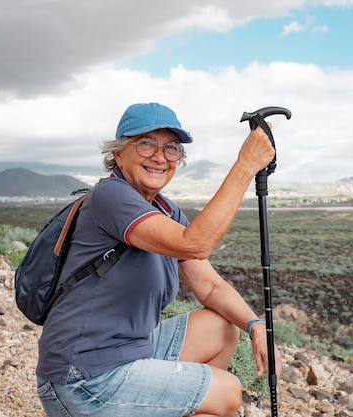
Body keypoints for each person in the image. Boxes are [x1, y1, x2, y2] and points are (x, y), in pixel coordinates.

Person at [35, 102, 282, 417]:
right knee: (227, 391)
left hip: (129, 354)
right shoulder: (111, 197)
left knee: (222, 326)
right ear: (119, 153)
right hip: (83, 378)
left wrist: (256, 325)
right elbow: (195, 243)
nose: (159, 156)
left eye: (171, 148)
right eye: (146, 143)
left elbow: (210, 286)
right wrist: (246, 164)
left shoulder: (166, 210)